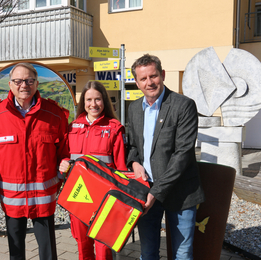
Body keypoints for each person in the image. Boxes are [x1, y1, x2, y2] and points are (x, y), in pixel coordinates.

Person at [0, 63, 69, 260]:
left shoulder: (55, 114)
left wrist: (59, 179)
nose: (24, 85)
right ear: (10, 85)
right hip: (12, 198)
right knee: (16, 251)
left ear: (37, 83)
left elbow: (64, 152)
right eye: (18, 81)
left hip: (44, 197)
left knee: (48, 251)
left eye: (29, 81)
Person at [127, 54, 205, 260]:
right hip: (146, 190)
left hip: (181, 193)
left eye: (153, 76)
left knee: (182, 254)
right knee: (148, 252)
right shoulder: (134, 108)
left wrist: (156, 193)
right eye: (143, 79)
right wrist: (134, 163)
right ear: (136, 82)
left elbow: (183, 155)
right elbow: (133, 146)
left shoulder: (183, 105)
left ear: (162, 74)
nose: (149, 82)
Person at [59, 80, 127, 260]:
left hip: (105, 199)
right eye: (89, 100)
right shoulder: (72, 127)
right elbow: (65, 156)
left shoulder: (114, 128)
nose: (93, 104)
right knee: (83, 245)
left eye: (97, 99)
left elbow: (121, 167)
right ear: (83, 103)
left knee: (103, 249)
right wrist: (64, 163)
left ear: (104, 101)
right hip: (78, 195)